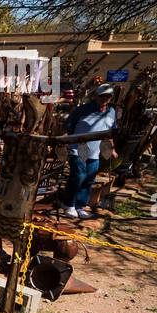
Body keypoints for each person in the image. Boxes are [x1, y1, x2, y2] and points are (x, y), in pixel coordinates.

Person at [61, 84, 118, 219]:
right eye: (102, 96)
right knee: (79, 176)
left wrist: (112, 149)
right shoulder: (83, 110)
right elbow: (69, 125)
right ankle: (68, 204)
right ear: (96, 96)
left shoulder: (111, 112)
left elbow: (110, 132)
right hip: (79, 147)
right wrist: (70, 141)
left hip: (95, 150)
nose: (105, 98)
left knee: (89, 179)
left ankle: (79, 206)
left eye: (108, 96)